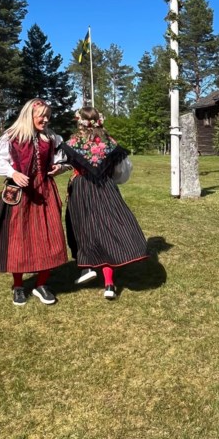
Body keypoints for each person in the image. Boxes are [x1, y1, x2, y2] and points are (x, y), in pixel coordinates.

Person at [0, 99, 70, 305]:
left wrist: (60, 168)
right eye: (42, 116)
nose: (46, 120)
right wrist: (13, 172)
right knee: (18, 238)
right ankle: (18, 286)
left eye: (48, 116)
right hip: (20, 193)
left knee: (50, 236)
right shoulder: (12, 137)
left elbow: (62, 160)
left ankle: (41, 284)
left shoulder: (51, 137)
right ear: (29, 115)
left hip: (45, 191)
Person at [61, 107, 148, 300]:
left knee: (84, 228)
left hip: (81, 189)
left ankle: (88, 267)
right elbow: (123, 170)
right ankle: (109, 284)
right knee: (107, 229)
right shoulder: (109, 143)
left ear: (80, 122)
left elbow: (62, 163)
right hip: (105, 188)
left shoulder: (74, 143)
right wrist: (109, 178)